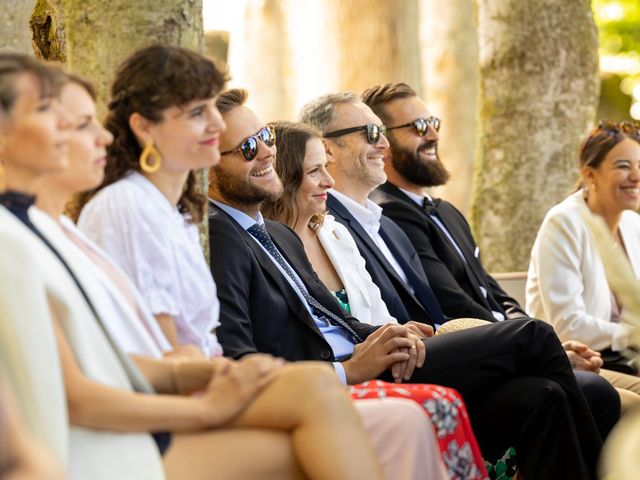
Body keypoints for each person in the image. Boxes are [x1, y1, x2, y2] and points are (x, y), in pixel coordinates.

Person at [0, 50, 395, 480]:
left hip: (150, 411)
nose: (98, 137)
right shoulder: (40, 230)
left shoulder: (49, 227)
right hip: (116, 444)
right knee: (326, 410)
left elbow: (114, 357)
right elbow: (74, 394)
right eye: (53, 115)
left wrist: (204, 370)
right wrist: (203, 402)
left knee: (321, 397)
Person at [208, 87, 608, 480]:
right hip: (339, 382)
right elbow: (239, 360)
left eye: (266, 138)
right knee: (533, 336)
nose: (266, 153)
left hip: (374, 359)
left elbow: (336, 321)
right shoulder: (220, 235)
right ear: (207, 164)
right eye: (247, 147)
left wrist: (389, 334)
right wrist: (349, 370)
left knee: (544, 396)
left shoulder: (275, 236)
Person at [261, 120, 488, 477]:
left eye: (326, 168)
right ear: (286, 177)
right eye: (315, 171)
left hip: (388, 357)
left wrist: (398, 331)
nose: (329, 181)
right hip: (358, 372)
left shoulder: (334, 232)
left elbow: (379, 316)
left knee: (543, 389)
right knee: (531, 339)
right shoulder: (268, 250)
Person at [527, 121, 640, 391]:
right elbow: (568, 326)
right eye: (623, 166)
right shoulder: (563, 222)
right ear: (590, 174)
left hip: (626, 356)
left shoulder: (632, 224)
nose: (636, 176)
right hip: (579, 361)